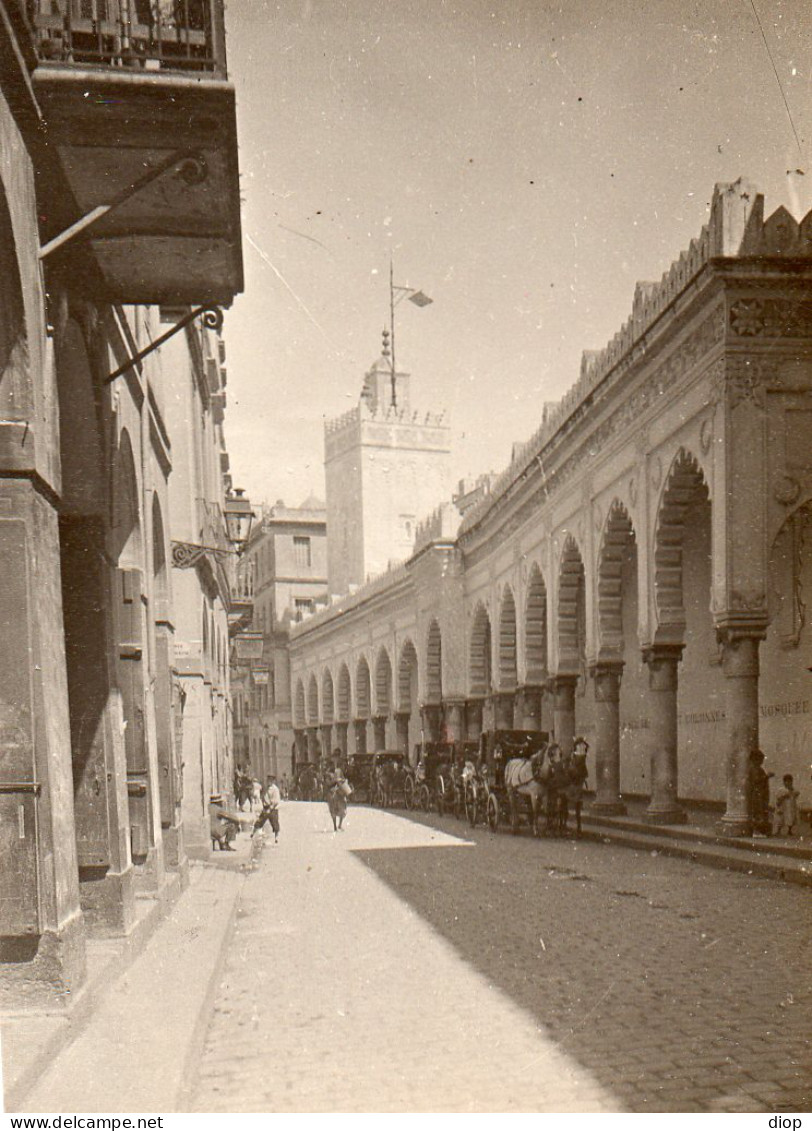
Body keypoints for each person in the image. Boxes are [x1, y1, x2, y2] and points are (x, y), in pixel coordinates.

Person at [748, 749, 773, 836]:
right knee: (758, 812)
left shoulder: (758, 769)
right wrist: (767, 776)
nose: (761, 761)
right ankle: (756, 830)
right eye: (760, 759)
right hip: (757, 793)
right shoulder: (754, 769)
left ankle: (760, 830)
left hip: (761, 793)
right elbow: (756, 780)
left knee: (761, 811)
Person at [252, 775, 282, 842]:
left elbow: (276, 801)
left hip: (273, 808)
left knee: (275, 822)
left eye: (271, 780)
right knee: (260, 821)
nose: (269, 782)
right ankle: (253, 834)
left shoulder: (275, 789)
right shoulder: (265, 788)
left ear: (273, 781)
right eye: (268, 780)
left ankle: (276, 837)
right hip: (266, 807)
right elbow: (262, 796)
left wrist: (270, 808)